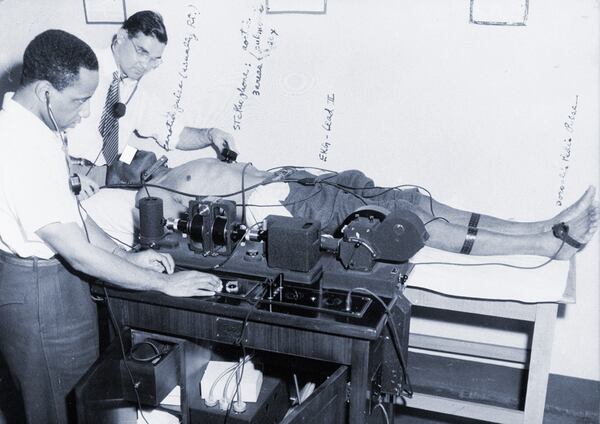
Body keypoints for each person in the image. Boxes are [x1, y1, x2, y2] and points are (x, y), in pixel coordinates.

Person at [0, 30, 221, 424]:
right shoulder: (18, 144)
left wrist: (126, 255)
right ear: (46, 91)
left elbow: (74, 214)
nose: (86, 113)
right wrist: (165, 284)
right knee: (58, 412)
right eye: (80, 101)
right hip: (39, 294)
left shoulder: (40, 130)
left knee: (85, 403)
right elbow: (75, 248)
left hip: (58, 287)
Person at [111, 155, 598, 261]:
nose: (142, 156)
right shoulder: (148, 195)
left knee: (417, 199)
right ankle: (544, 245)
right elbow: (179, 229)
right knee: (410, 221)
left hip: (292, 184)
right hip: (286, 205)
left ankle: (547, 225)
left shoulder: (164, 167)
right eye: (130, 163)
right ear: (120, 180)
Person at [67, 10, 236, 198]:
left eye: (154, 60)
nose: (145, 65)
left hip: (105, 179)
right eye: (141, 52)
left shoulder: (139, 95)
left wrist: (210, 134)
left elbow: (174, 134)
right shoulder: (80, 65)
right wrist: (66, 175)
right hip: (68, 172)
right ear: (122, 37)